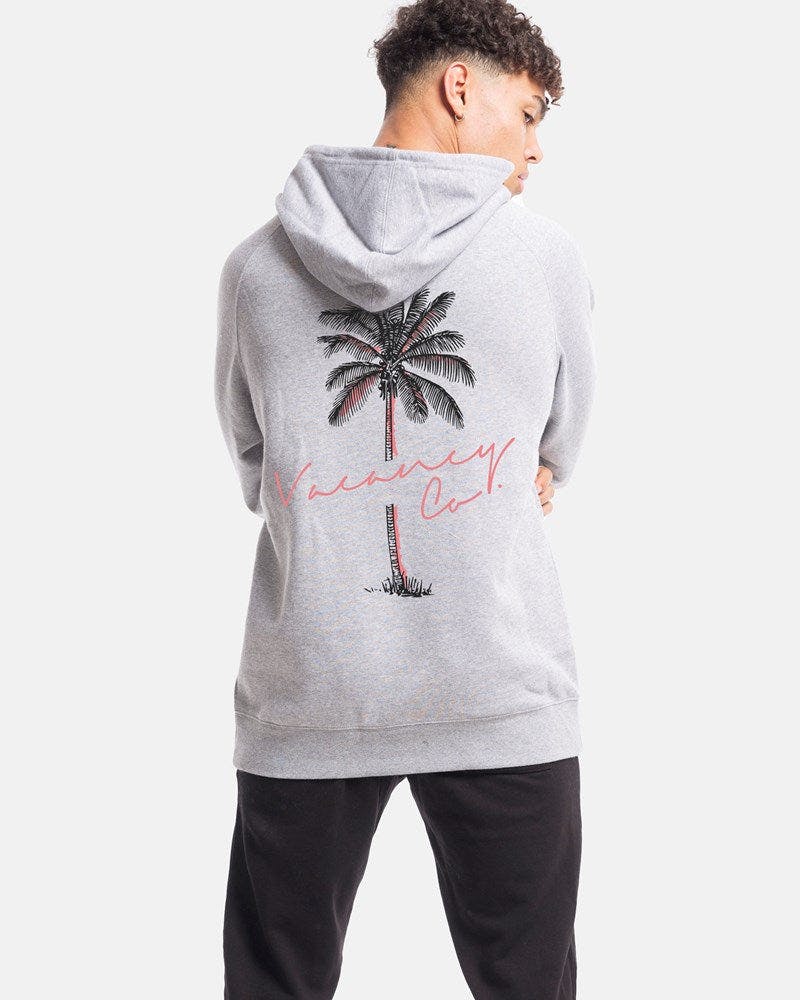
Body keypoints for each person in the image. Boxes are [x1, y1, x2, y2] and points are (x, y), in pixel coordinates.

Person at [213, 1, 597, 996]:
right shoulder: (546, 259)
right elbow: (559, 442)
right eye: (528, 113)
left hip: (309, 692)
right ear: (459, 87)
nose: (536, 148)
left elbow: (254, 460)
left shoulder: (254, 268)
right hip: (499, 686)